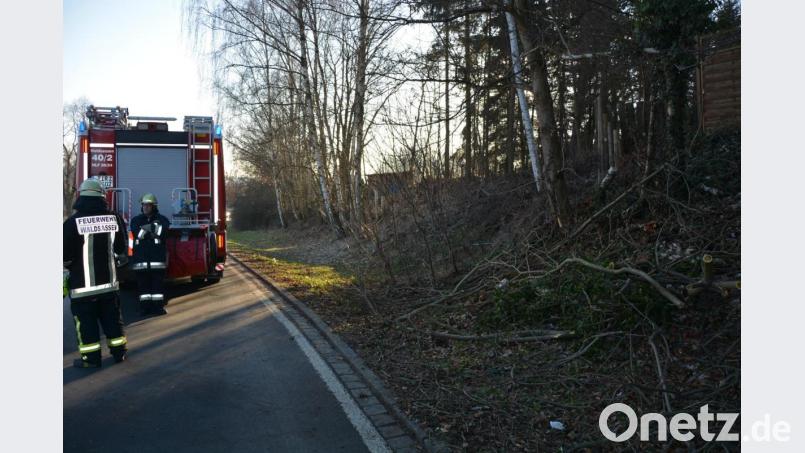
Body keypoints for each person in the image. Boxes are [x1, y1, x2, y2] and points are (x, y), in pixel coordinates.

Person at [63, 178, 129, 368]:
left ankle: (91, 360)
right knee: (112, 319)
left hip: (83, 288)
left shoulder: (71, 223)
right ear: (102, 196)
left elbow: (65, 256)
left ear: (81, 196)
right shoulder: (114, 218)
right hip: (109, 284)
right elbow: (120, 249)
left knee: (86, 325)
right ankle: (119, 353)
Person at [130, 193, 171, 315]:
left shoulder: (163, 220)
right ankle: (144, 308)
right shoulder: (136, 220)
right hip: (141, 261)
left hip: (157, 260)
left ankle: (158, 308)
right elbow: (138, 233)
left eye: (148, 205)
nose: (146, 208)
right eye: (144, 205)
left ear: (154, 206)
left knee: (157, 286)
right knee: (143, 287)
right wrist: (152, 229)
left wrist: (145, 230)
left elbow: (162, 231)